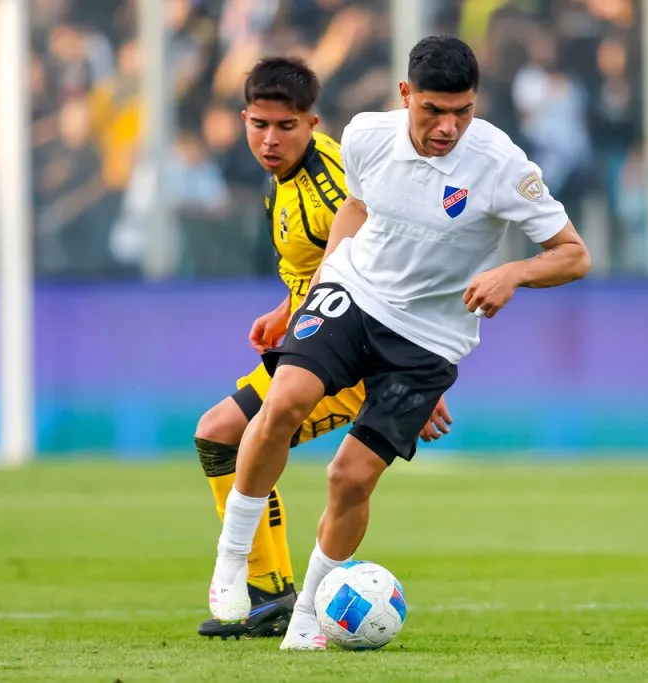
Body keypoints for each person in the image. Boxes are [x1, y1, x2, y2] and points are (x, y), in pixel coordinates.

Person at [206, 35, 591, 649]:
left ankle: (309, 612)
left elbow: (574, 255)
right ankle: (230, 564)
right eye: (432, 110)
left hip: (429, 337)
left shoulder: (503, 165)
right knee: (283, 400)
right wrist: (319, 290)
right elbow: (355, 209)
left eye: (462, 112)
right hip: (354, 295)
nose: (447, 127)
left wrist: (512, 272)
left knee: (349, 478)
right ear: (405, 95)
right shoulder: (365, 135)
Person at [193, 57, 454, 639]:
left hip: (353, 365)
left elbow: (382, 263)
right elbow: (321, 261)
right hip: (318, 339)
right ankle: (271, 592)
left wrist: (410, 378)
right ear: (244, 118)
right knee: (220, 435)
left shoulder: (334, 182)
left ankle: (271, 591)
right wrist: (287, 308)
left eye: (285, 126)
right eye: (260, 124)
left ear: (312, 123)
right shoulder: (283, 177)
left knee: (226, 435)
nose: (270, 138)